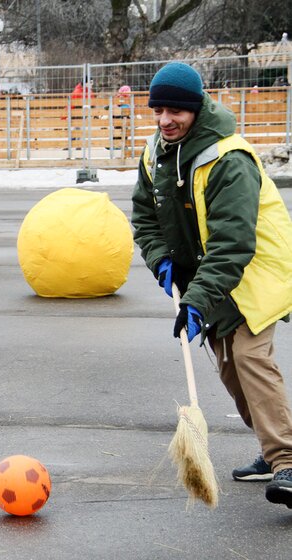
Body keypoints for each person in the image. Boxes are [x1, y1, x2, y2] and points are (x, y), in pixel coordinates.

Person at [131, 62, 292, 508]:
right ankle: (272, 450)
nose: (165, 120)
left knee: (250, 357)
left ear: (197, 109)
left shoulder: (229, 159)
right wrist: (160, 259)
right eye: (158, 110)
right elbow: (145, 216)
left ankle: (287, 460)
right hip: (209, 274)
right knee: (230, 370)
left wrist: (197, 299)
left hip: (254, 271)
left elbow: (232, 243)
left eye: (176, 111)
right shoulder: (155, 153)